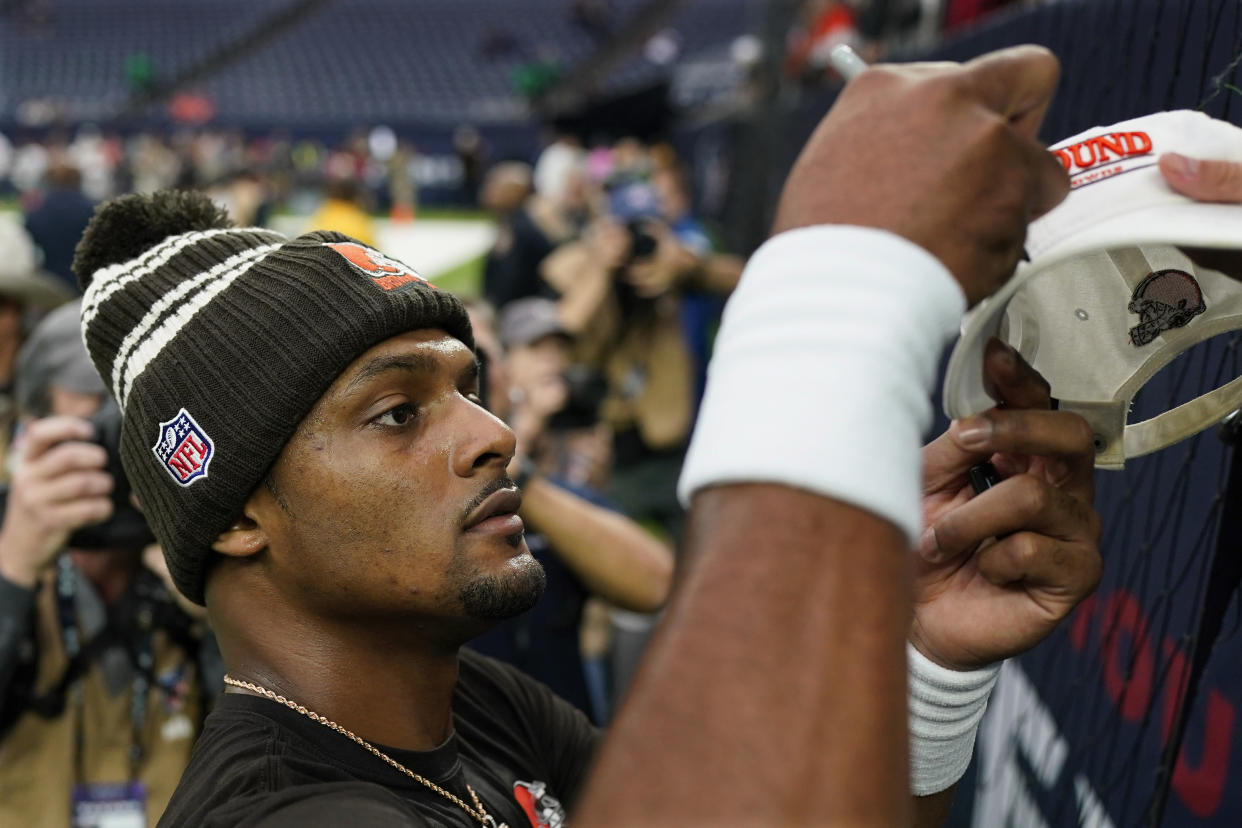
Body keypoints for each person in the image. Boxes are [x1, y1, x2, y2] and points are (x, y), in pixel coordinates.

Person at [78, 46, 1096, 828]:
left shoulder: (467, 705)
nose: (492, 436)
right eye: (399, 413)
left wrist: (923, 667)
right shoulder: (284, 815)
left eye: (469, 390)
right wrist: (837, 294)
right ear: (240, 512)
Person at [0, 300, 220, 828]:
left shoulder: (203, 555)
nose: (126, 432)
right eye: (98, 400)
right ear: (31, 429)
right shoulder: (10, 548)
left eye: (147, 407)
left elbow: (282, 744)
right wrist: (13, 570)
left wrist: (218, 594)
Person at [466, 297, 673, 722]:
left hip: (561, 735)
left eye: (478, 363)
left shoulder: (542, 486)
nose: (467, 386)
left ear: (505, 377)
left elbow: (655, 583)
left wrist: (513, 476)